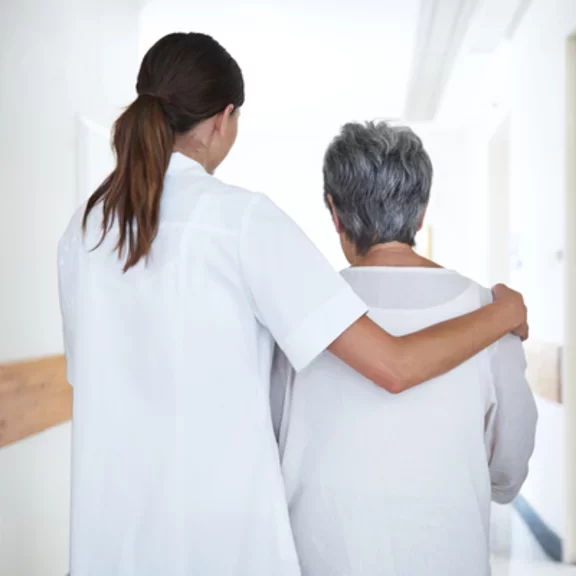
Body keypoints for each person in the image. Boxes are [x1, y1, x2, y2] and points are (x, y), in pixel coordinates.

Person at [58, 33, 528, 576]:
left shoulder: (82, 234)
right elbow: (393, 366)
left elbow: (92, 378)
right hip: (221, 544)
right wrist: (503, 312)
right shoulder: (240, 221)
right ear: (222, 119)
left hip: (109, 545)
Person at [272, 121, 538, 576]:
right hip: (451, 556)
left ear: (334, 211)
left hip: (322, 557)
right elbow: (509, 465)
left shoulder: (298, 316)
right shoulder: (489, 314)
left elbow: (271, 442)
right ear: (422, 212)